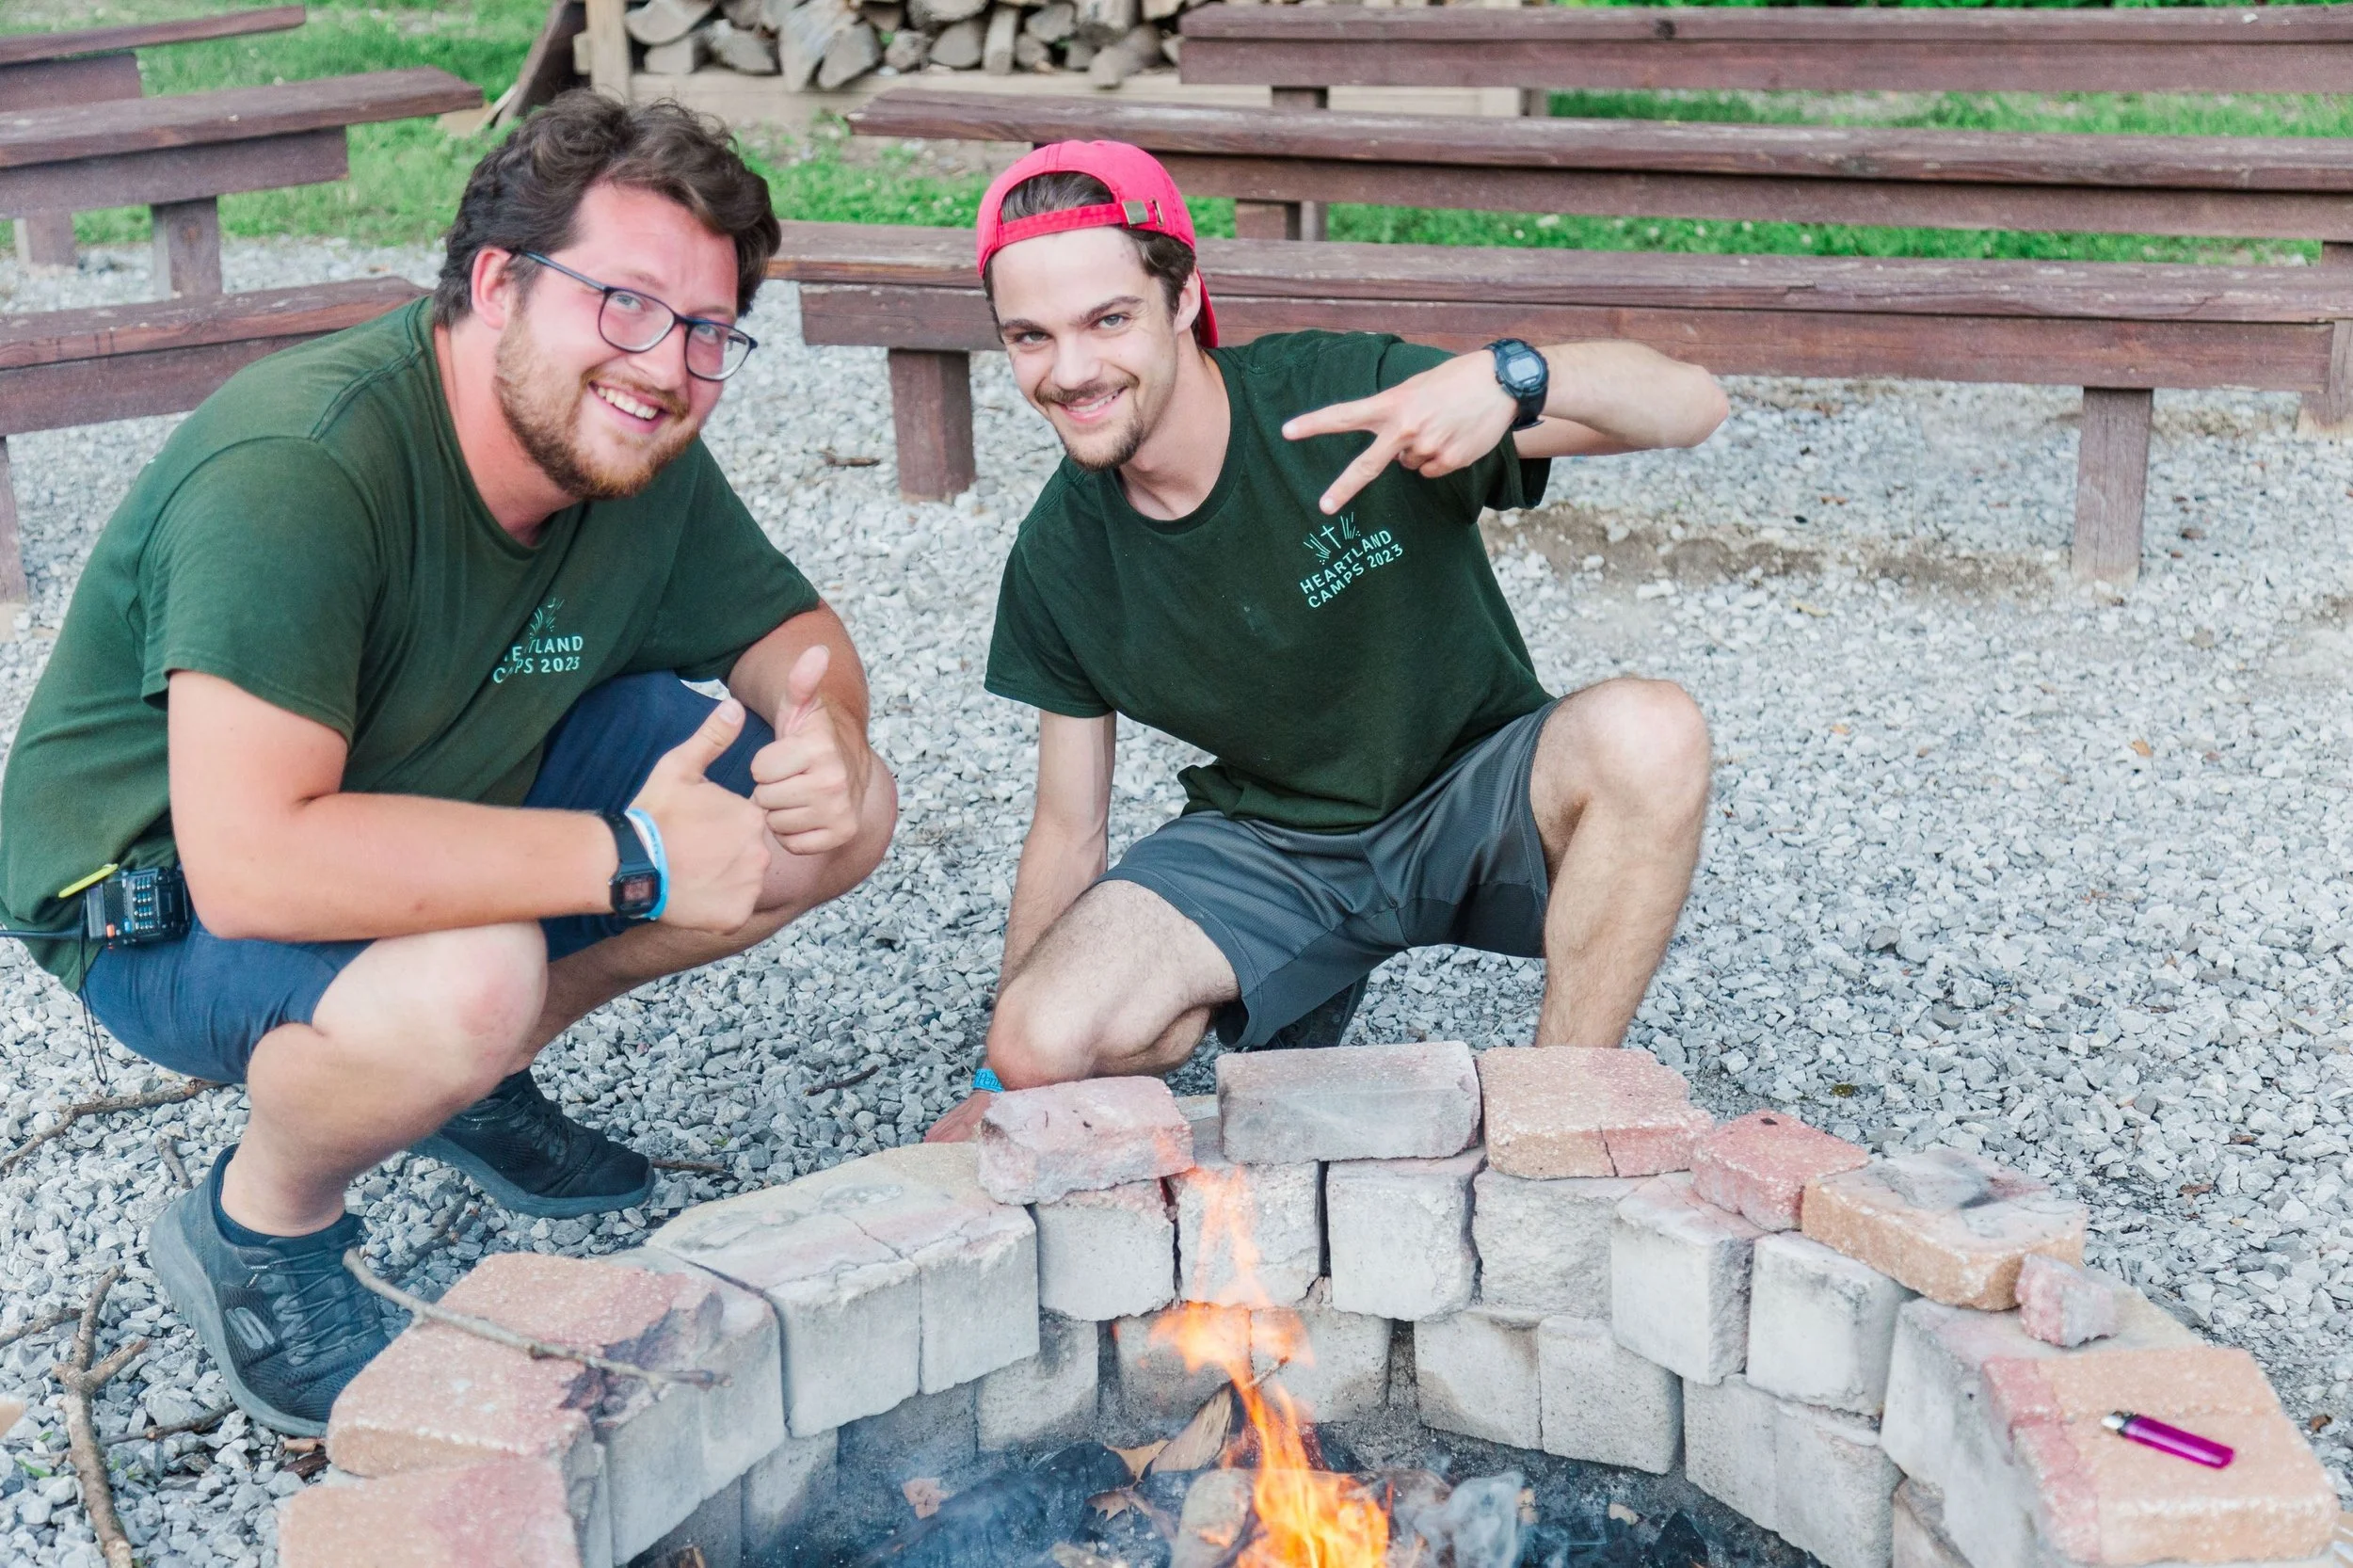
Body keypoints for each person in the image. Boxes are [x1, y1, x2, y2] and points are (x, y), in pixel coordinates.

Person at [0, 94, 896, 1434]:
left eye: (711, 330)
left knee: (843, 815)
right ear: (498, 282)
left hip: (425, 786)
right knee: (470, 977)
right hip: (159, 886)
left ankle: (458, 1079)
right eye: (629, 301)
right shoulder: (301, 466)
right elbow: (252, 860)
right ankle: (259, 1228)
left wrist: (828, 735)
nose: (670, 364)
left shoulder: (630, 436)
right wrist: (637, 858)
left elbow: (795, 636)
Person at [928, 141, 1725, 1141]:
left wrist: (1510, 376)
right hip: (1277, 845)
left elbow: (1691, 406)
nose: (1072, 370)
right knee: (1040, 1041)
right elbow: (1066, 825)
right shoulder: (1059, 556)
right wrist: (1006, 1085)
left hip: (1474, 794)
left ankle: (1554, 1116)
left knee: (1651, 731)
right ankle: (1298, 984)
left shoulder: (1344, 397)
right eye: (1030, 338)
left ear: (1181, 300)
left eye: (1108, 319)